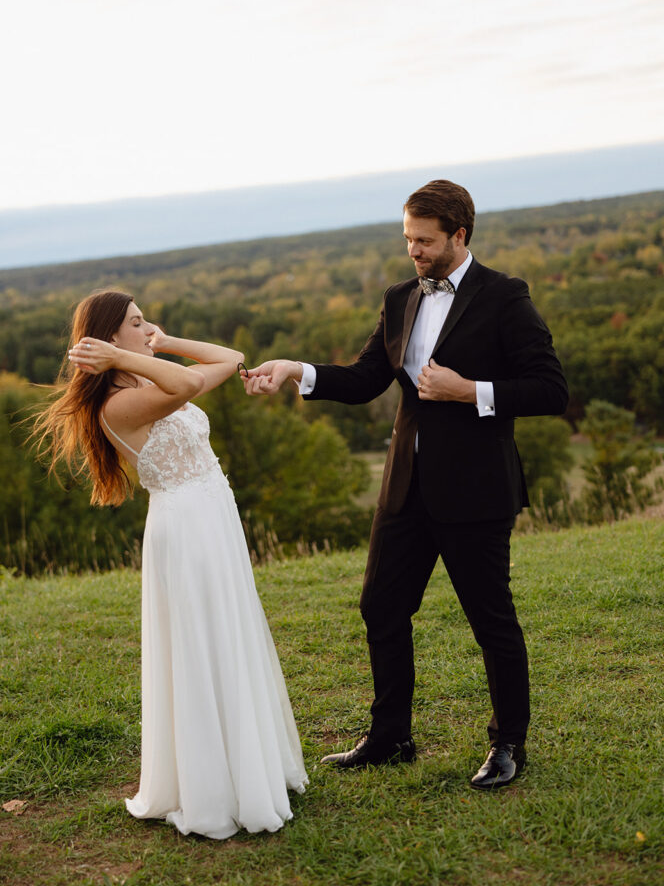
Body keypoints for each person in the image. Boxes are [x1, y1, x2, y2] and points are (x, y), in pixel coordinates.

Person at [242, 180, 568, 789]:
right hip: (405, 488)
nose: (413, 251)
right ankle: (391, 736)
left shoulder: (505, 297)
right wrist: (296, 370)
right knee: (381, 606)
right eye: (408, 240)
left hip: (474, 492)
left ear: (459, 236)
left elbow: (552, 389)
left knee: (489, 618)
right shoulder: (399, 298)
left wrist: (470, 391)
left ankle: (508, 745)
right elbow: (368, 377)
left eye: (425, 241)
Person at [38, 290, 307, 837]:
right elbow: (186, 384)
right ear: (111, 339)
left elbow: (230, 360)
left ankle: (252, 768)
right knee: (203, 642)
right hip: (186, 527)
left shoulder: (142, 379)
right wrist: (129, 360)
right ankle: (217, 789)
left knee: (228, 633)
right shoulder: (118, 403)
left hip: (213, 517)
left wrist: (163, 342)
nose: (148, 328)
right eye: (137, 324)